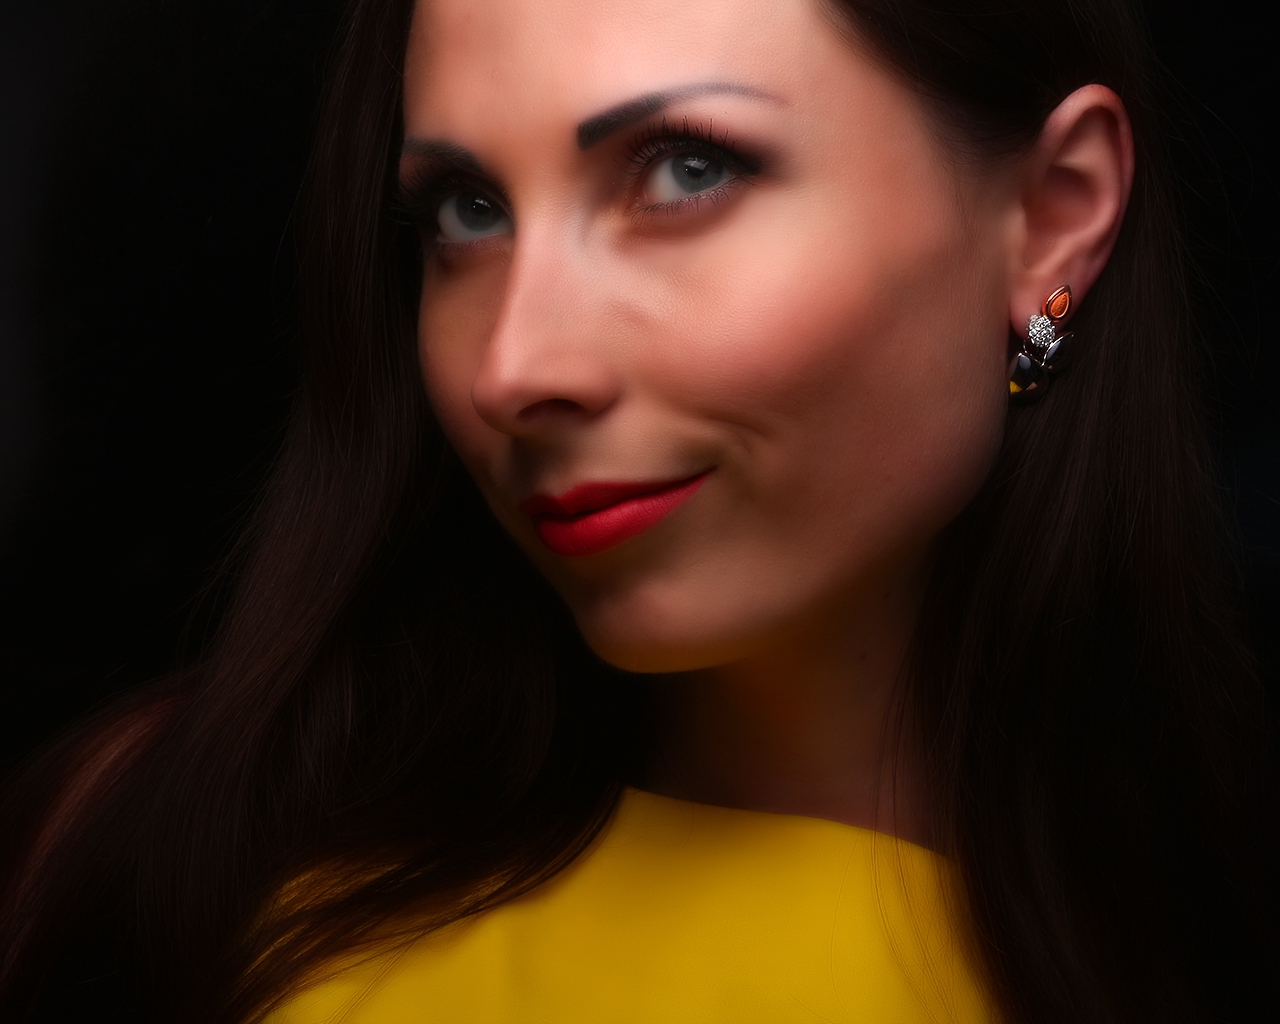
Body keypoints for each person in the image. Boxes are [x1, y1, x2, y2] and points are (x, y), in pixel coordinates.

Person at [1, 0, 1274, 1021]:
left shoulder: (1203, 932)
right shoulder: (172, 860)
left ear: (1051, 217)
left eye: (683, 170)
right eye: (466, 212)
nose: (513, 368)